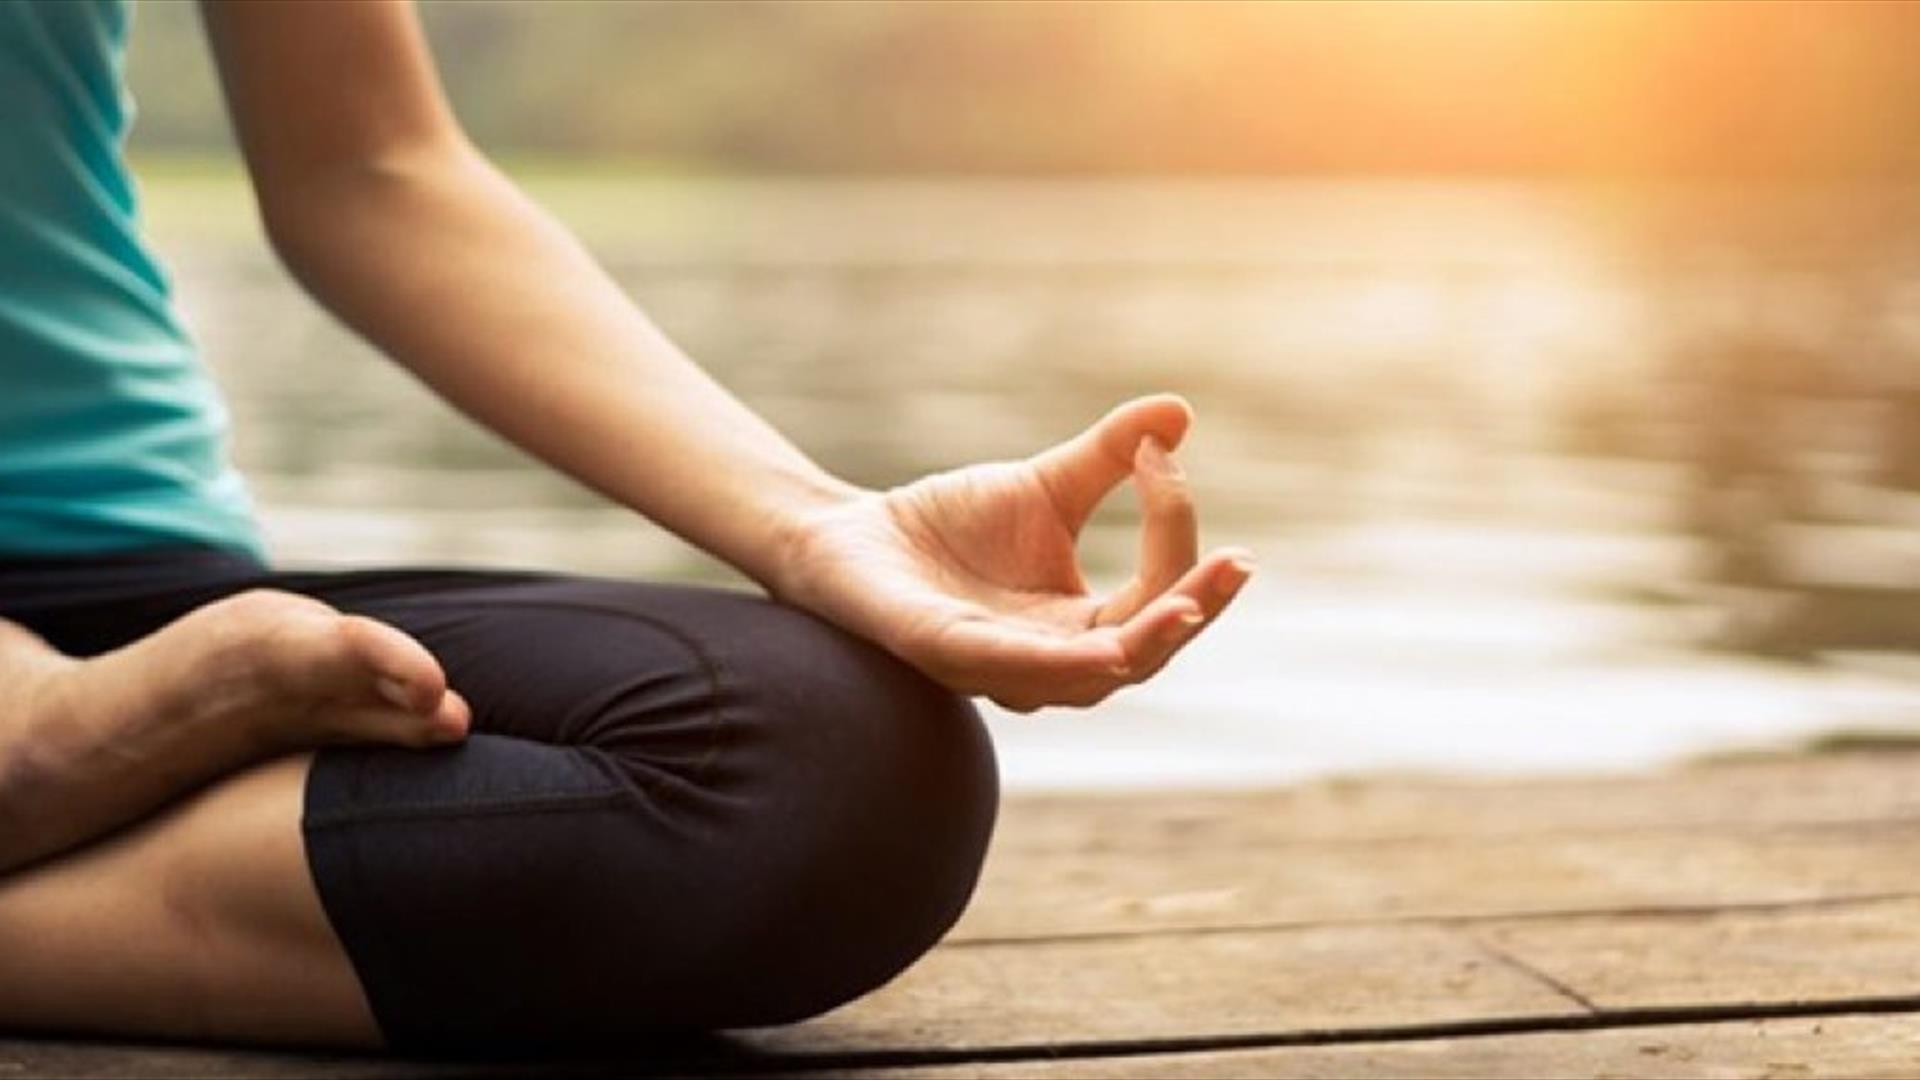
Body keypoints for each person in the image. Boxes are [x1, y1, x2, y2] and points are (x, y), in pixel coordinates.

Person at [0, 0, 1252, 1053]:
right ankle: (49, 741)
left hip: (120, 545)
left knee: (833, 773)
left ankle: (65, 759)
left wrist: (816, 528)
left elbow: (371, 168)